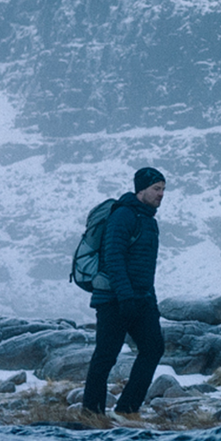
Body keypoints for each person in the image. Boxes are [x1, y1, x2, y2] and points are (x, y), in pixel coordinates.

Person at [81, 166, 166, 425]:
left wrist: (148, 298)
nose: (161, 194)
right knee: (106, 354)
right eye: (156, 189)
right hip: (113, 299)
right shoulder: (123, 216)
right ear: (141, 190)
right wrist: (125, 297)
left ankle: (126, 409)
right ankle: (91, 413)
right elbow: (113, 258)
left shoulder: (149, 220)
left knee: (153, 348)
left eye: (163, 189)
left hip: (141, 299)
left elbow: (144, 266)